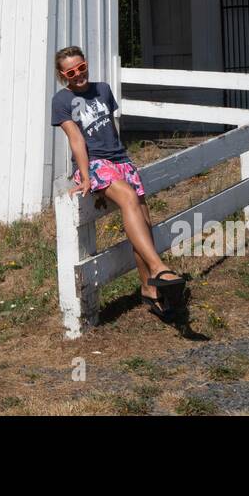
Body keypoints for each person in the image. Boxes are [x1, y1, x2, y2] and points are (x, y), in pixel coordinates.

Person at [51, 45, 187, 319]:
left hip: (120, 161)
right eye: (71, 72)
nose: (78, 75)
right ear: (62, 74)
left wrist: (124, 161)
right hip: (95, 164)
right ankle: (159, 268)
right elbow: (76, 139)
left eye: (81, 68)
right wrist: (87, 176)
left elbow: (111, 128)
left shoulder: (102, 89)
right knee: (127, 198)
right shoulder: (61, 100)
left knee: (144, 224)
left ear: (86, 64)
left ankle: (149, 290)